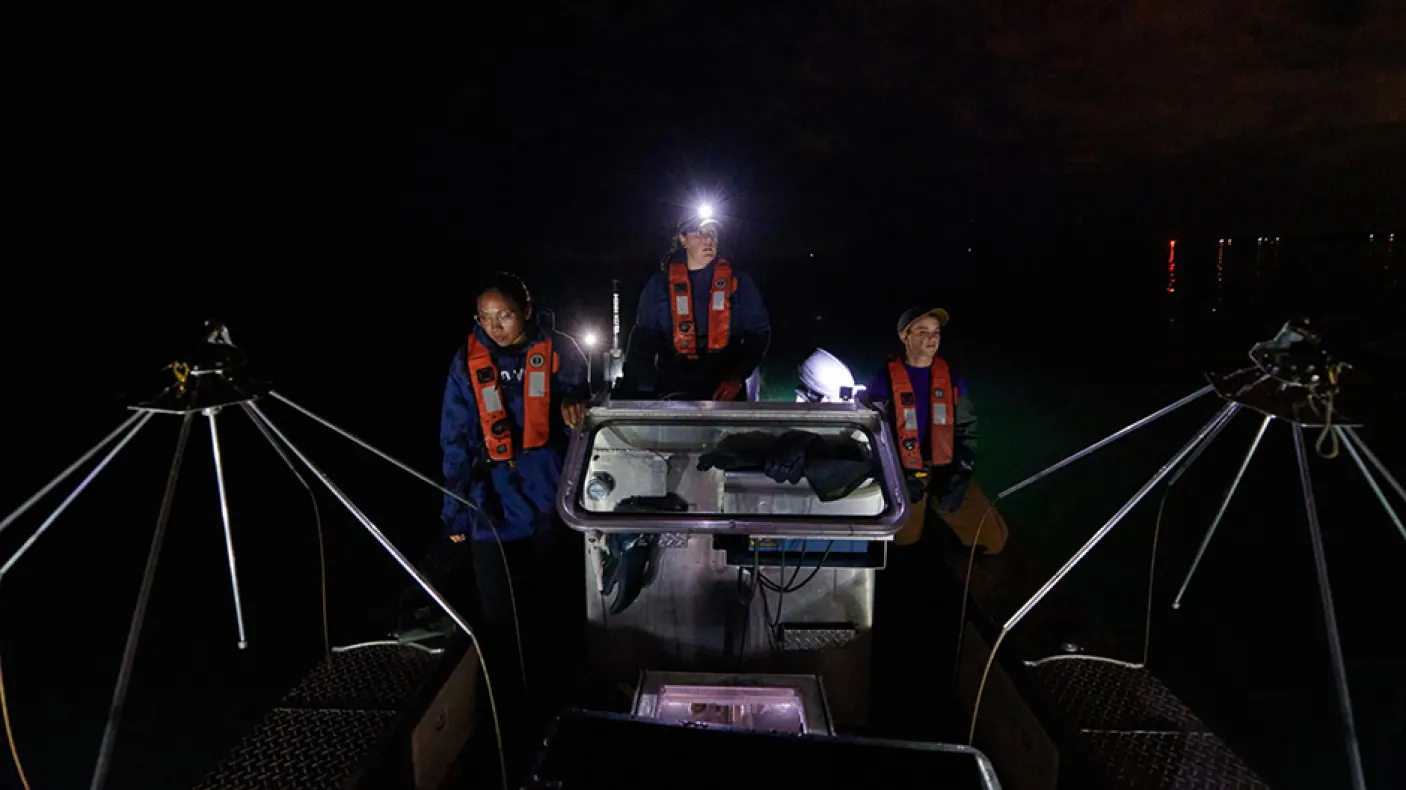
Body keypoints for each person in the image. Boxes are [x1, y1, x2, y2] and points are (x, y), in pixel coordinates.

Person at [439, 271, 589, 740]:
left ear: (525, 308)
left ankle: (560, 711)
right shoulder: (466, 362)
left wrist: (577, 403)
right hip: (491, 510)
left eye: (504, 314)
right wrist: (455, 510)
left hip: (548, 503)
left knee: (554, 615)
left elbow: (585, 406)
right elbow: (456, 439)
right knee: (502, 624)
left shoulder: (561, 350)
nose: (496, 326)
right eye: (486, 318)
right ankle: (509, 721)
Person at [861, 306, 1007, 555]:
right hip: (904, 472)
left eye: (936, 332)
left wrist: (960, 472)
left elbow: (966, 429)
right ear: (904, 337)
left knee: (994, 542)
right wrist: (898, 476)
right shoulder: (883, 381)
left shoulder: (951, 378)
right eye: (922, 331)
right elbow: (875, 437)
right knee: (902, 542)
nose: (932, 338)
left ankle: (948, 527)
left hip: (944, 467)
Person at [617, 208, 771, 401]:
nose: (708, 240)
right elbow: (642, 342)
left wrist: (737, 377)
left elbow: (758, 335)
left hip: (724, 388)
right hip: (674, 385)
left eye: (713, 234)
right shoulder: (659, 286)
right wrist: (629, 387)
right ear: (683, 238)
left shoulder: (739, 283)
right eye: (699, 233)